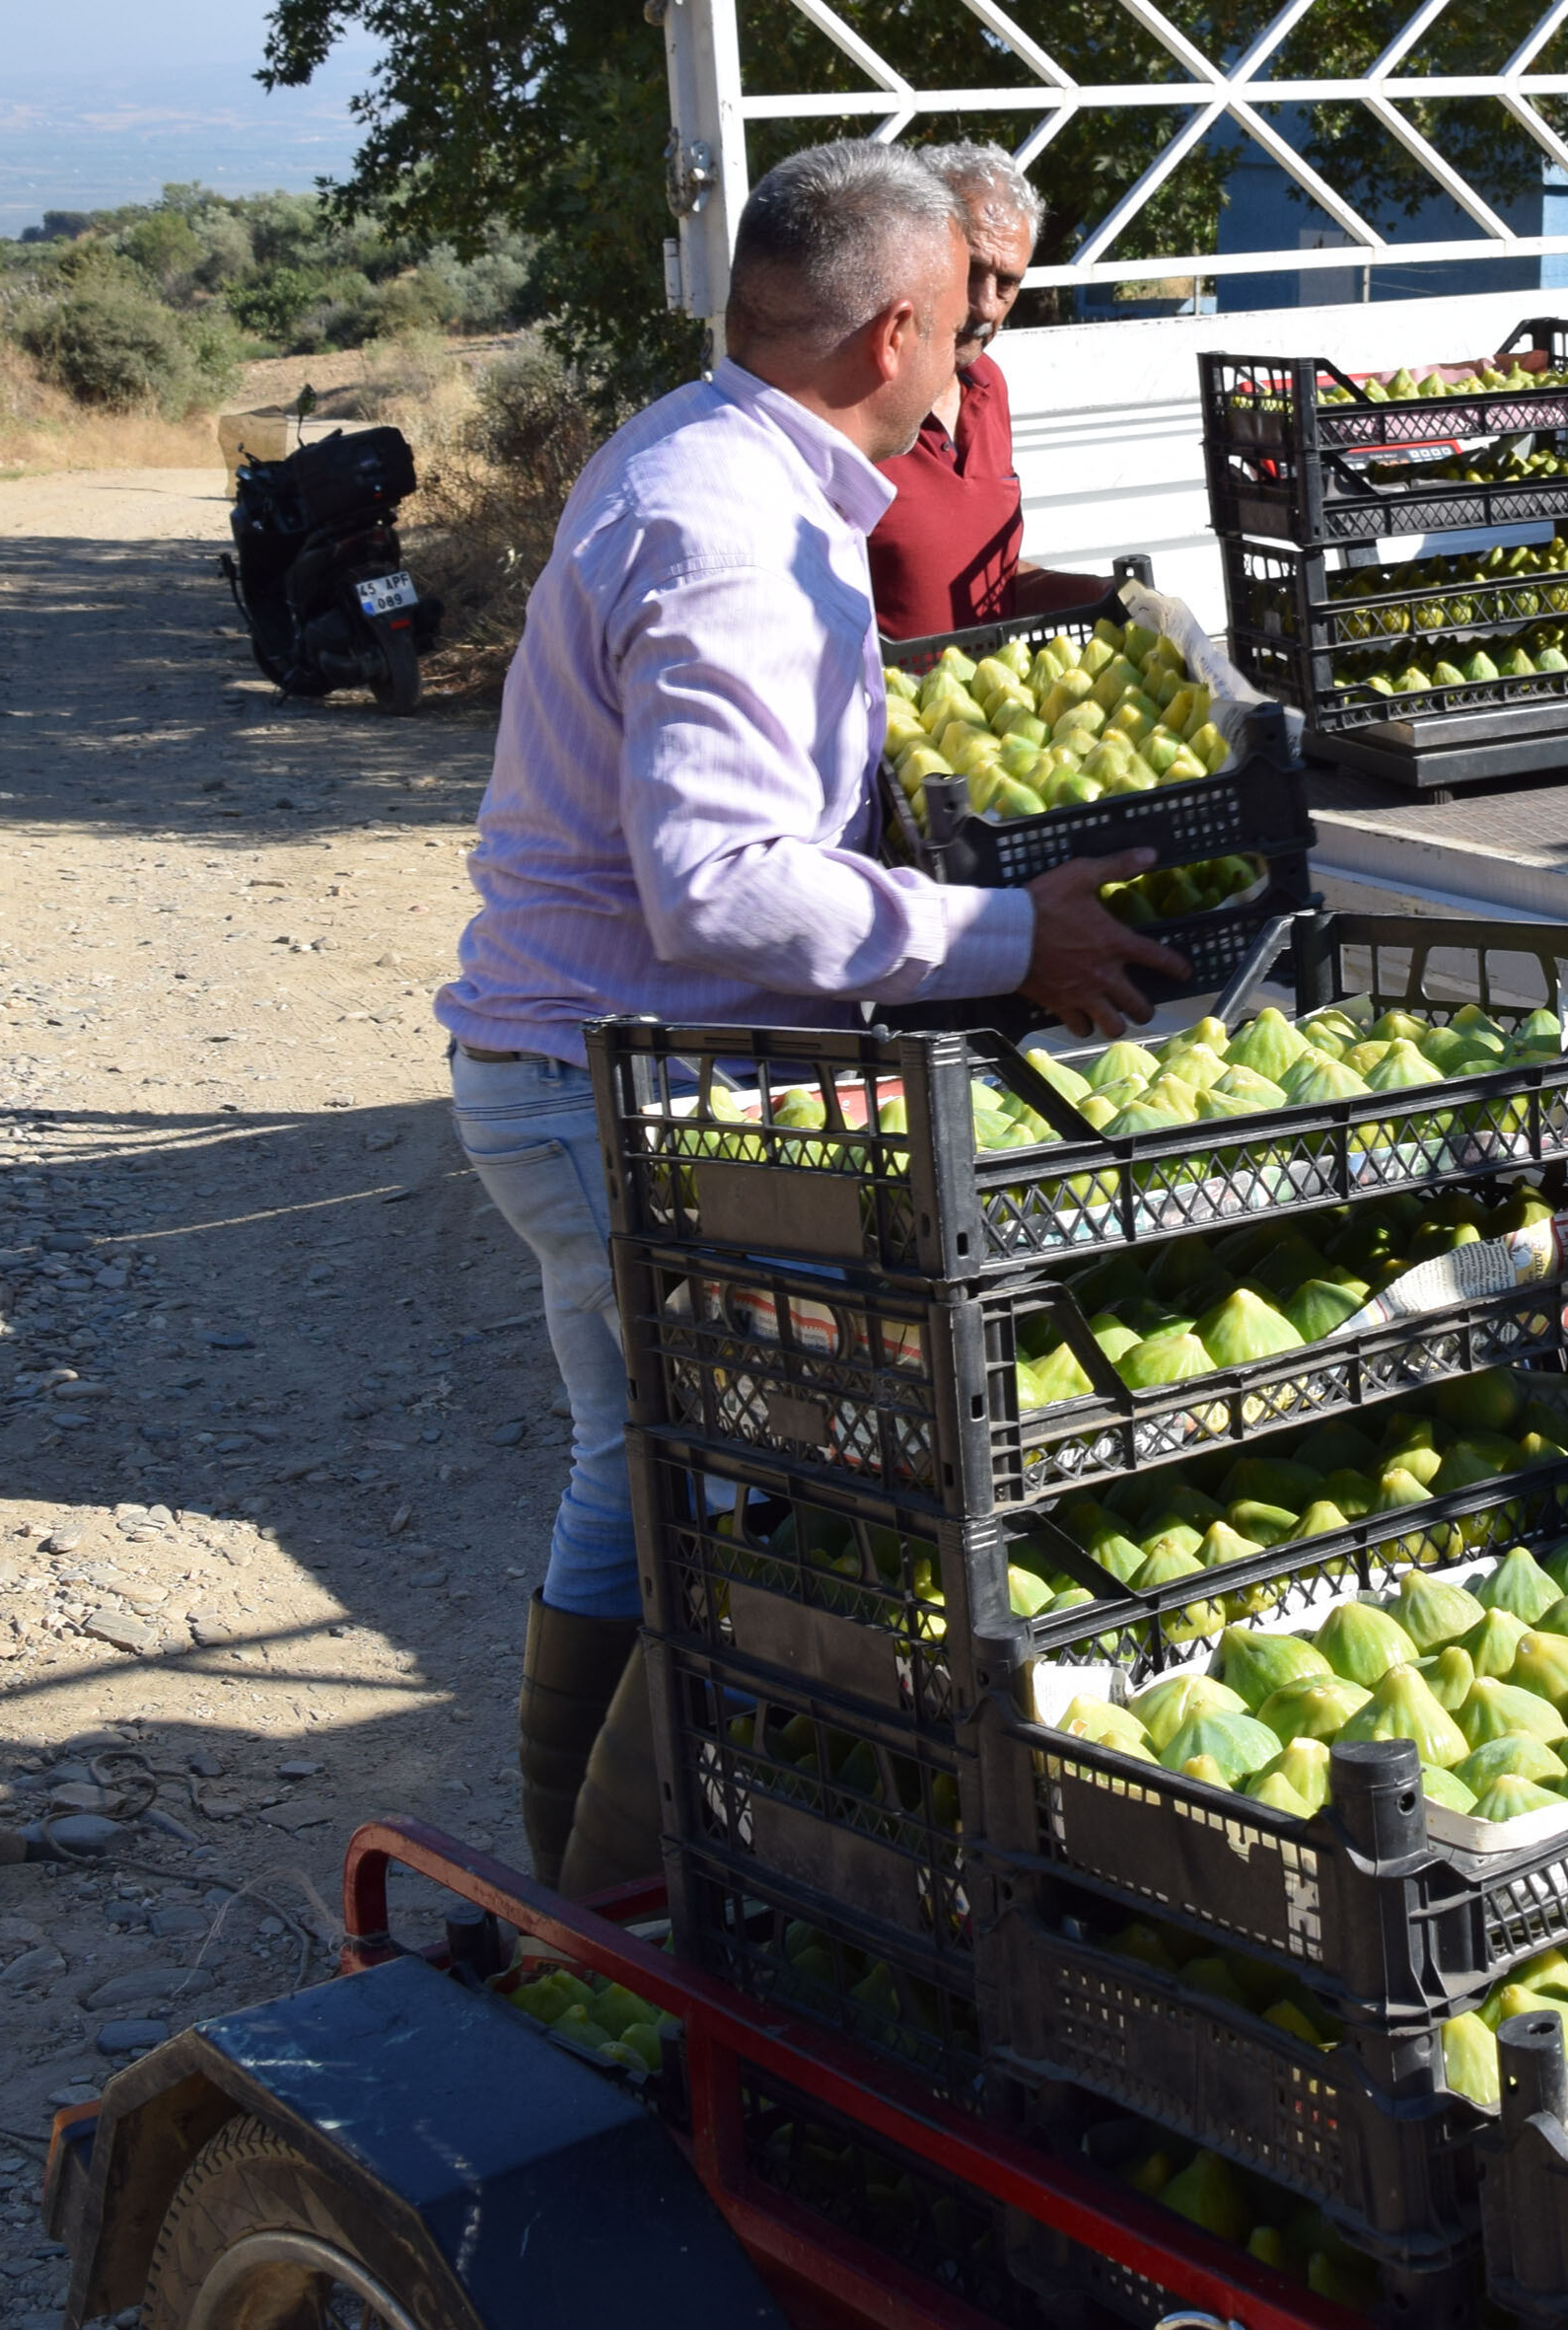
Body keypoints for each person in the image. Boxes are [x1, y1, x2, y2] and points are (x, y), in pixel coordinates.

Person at [435, 137, 1186, 1890]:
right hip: (630, 1090)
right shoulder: (727, 534)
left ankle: (590, 1885)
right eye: (959, 329)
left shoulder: (692, 453)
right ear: (895, 329)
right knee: (737, 1501)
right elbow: (720, 884)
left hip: (570, 1066)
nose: (965, 368)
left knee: (637, 1460)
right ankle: (658, 1908)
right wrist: (1011, 936)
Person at [866, 142, 1105, 637]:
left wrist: (1103, 595)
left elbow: (990, 579)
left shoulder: (987, 385)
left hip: (979, 711)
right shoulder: (856, 400)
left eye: (1007, 283)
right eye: (972, 271)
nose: (987, 307)